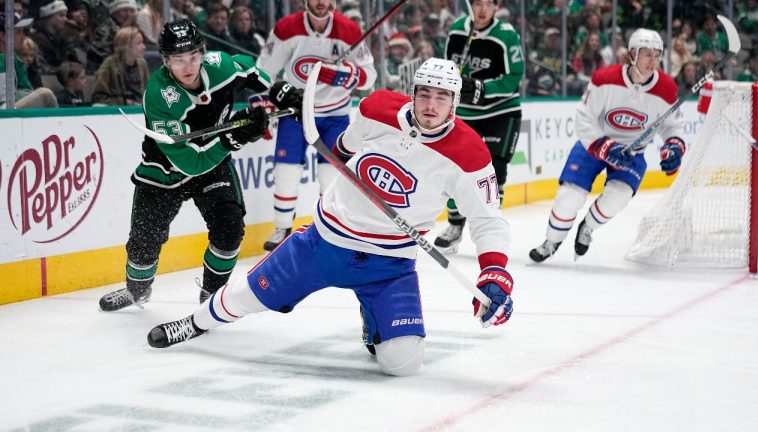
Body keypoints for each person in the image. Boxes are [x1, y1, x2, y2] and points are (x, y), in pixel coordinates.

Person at [145, 58, 514, 377]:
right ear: (412, 91)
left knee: (403, 364)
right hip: (324, 243)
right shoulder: (378, 108)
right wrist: (339, 163)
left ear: (455, 102)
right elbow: (344, 147)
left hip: (390, 264)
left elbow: (487, 219)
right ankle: (193, 323)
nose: (431, 105)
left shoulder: (470, 154)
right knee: (244, 296)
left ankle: (375, 322)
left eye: (442, 96)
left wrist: (494, 273)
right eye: (424, 94)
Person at [97, 19, 302, 311]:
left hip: (213, 164)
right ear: (165, 61)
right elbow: (191, 162)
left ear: (203, 52)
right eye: (178, 60)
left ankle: (211, 297)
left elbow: (253, 72)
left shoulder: (222, 66)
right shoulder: (159, 96)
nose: (188, 66)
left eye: (193, 57)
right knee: (143, 244)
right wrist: (232, 139)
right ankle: (137, 290)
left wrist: (278, 90)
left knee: (230, 228)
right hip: (163, 172)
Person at [529, 29, 685, 262]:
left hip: (632, 153)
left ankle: (587, 227)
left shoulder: (665, 89)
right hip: (594, 144)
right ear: (633, 54)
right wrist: (604, 146)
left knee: (618, 196)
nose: (652, 60)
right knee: (568, 197)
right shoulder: (605, 79)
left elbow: (674, 127)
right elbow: (584, 119)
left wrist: (673, 148)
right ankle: (551, 241)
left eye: (656, 55)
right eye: (646, 54)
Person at [256, 0, 377, 251]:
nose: (321, 2)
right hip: (296, 111)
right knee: (286, 172)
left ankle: (328, 229)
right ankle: (282, 227)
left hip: (335, 114)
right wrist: (263, 103)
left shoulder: (349, 30)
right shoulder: (287, 28)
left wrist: (347, 75)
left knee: (331, 177)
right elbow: (264, 70)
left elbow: (370, 76)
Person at [439, 0, 524, 254]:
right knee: (454, 169)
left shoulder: (506, 36)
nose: (483, 9)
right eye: (478, 3)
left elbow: (513, 78)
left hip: (501, 112)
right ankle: (455, 225)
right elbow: (449, 69)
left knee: (495, 173)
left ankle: (490, 232)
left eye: (489, 3)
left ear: (497, 6)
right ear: (470, 5)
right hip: (465, 113)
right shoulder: (456, 30)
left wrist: (481, 89)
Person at [0, 12, 58, 109]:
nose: (23, 36)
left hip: (11, 109)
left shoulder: (16, 60)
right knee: (45, 95)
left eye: (23, 31)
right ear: (2, 36)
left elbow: (26, 90)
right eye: (18, 32)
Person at [91, 26, 149, 106]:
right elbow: (98, 97)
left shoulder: (142, 64)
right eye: (139, 43)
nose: (144, 47)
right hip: (117, 110)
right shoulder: (110, 64)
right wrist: (124, 102)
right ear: (126, 46)